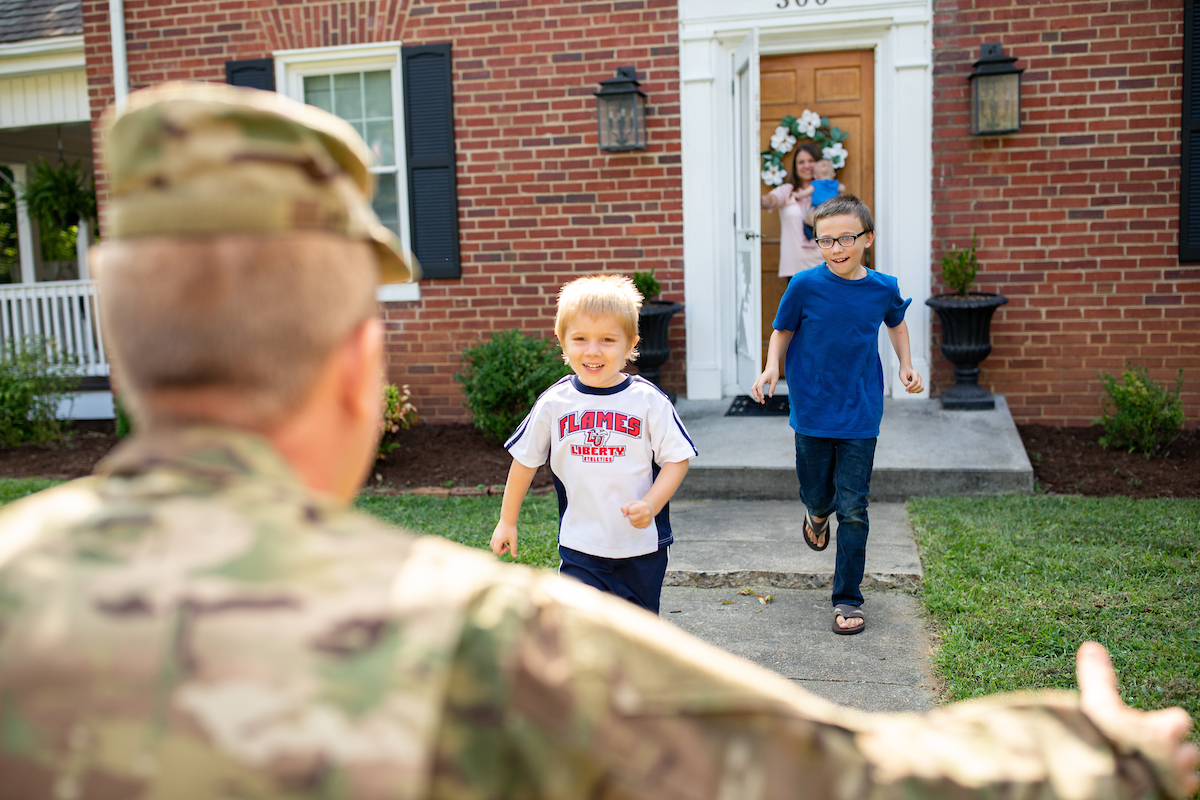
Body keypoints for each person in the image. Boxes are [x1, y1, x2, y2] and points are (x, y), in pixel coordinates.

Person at [0, 82, 1195, 800]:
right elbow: (848, 778)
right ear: (358, 365)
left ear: (123, 340)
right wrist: (1099, 753)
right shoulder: (482, 645)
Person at [752, 194, 923, 636]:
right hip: (812, 406)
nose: (836, 248)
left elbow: (897, 322)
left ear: (867, 238)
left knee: (856, 508)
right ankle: (815, 515)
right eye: (825, 240)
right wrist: (773, 366)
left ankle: (847, 597)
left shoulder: (883, 286)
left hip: (861, 410)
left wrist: (906, 364)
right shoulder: (805, 285)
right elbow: (782, 329)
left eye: (846, 238)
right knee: (817, 493)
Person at [490, 274, 695, 614]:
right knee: (580, 629)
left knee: (638, 634)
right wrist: (507, 520)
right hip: (580, 543)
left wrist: (652, 503)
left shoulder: (648, 401)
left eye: (607, 340)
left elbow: (677, 459)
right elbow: (525, 460)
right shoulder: (555, 403)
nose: (593, 351)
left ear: (631, 343)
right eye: (580, 338)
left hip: (641, 548)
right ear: (562, 340)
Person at [760, 141, 826, 278]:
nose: (806, 165)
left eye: (811, 161)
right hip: (794, 268)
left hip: (825, 265)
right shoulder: (787, 191)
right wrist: (759, 200)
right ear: (795, 167)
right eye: (801, 162)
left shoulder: (830, 190)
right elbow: (771, 200)